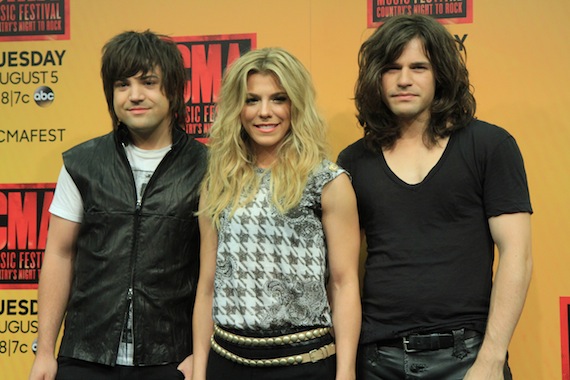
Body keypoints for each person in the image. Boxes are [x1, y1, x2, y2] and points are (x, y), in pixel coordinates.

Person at [337, 14, 532, 380]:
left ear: (440, 73)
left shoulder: (490, 146)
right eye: (391, 68)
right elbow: (342, 274)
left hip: (468, 357)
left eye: (418, 67)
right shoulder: (353, 161)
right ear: (375, 78)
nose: (404, 79)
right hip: (378, 359)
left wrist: (491, 357)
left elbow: (517, 256)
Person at [28, 30, 207, 380]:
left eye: (149, 82)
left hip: (170, 360)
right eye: (122, 84)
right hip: (85, 357)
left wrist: (199, 356)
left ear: (173, 89)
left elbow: (217, 275)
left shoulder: (209, 167)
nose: (134, 95)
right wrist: (46, 351)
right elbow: (60, 255)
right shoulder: (83, 163)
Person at [192, 47, 361, 380]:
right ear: (236, 109)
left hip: (305, 363)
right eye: (252, 100)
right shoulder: (218, 182)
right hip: (227, 362)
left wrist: (346, 372)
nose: (264, 112)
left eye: (278, 99)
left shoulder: (328, 180)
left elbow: (344, 284)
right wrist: (200, 371)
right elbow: (207, 287)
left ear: (295, 105)